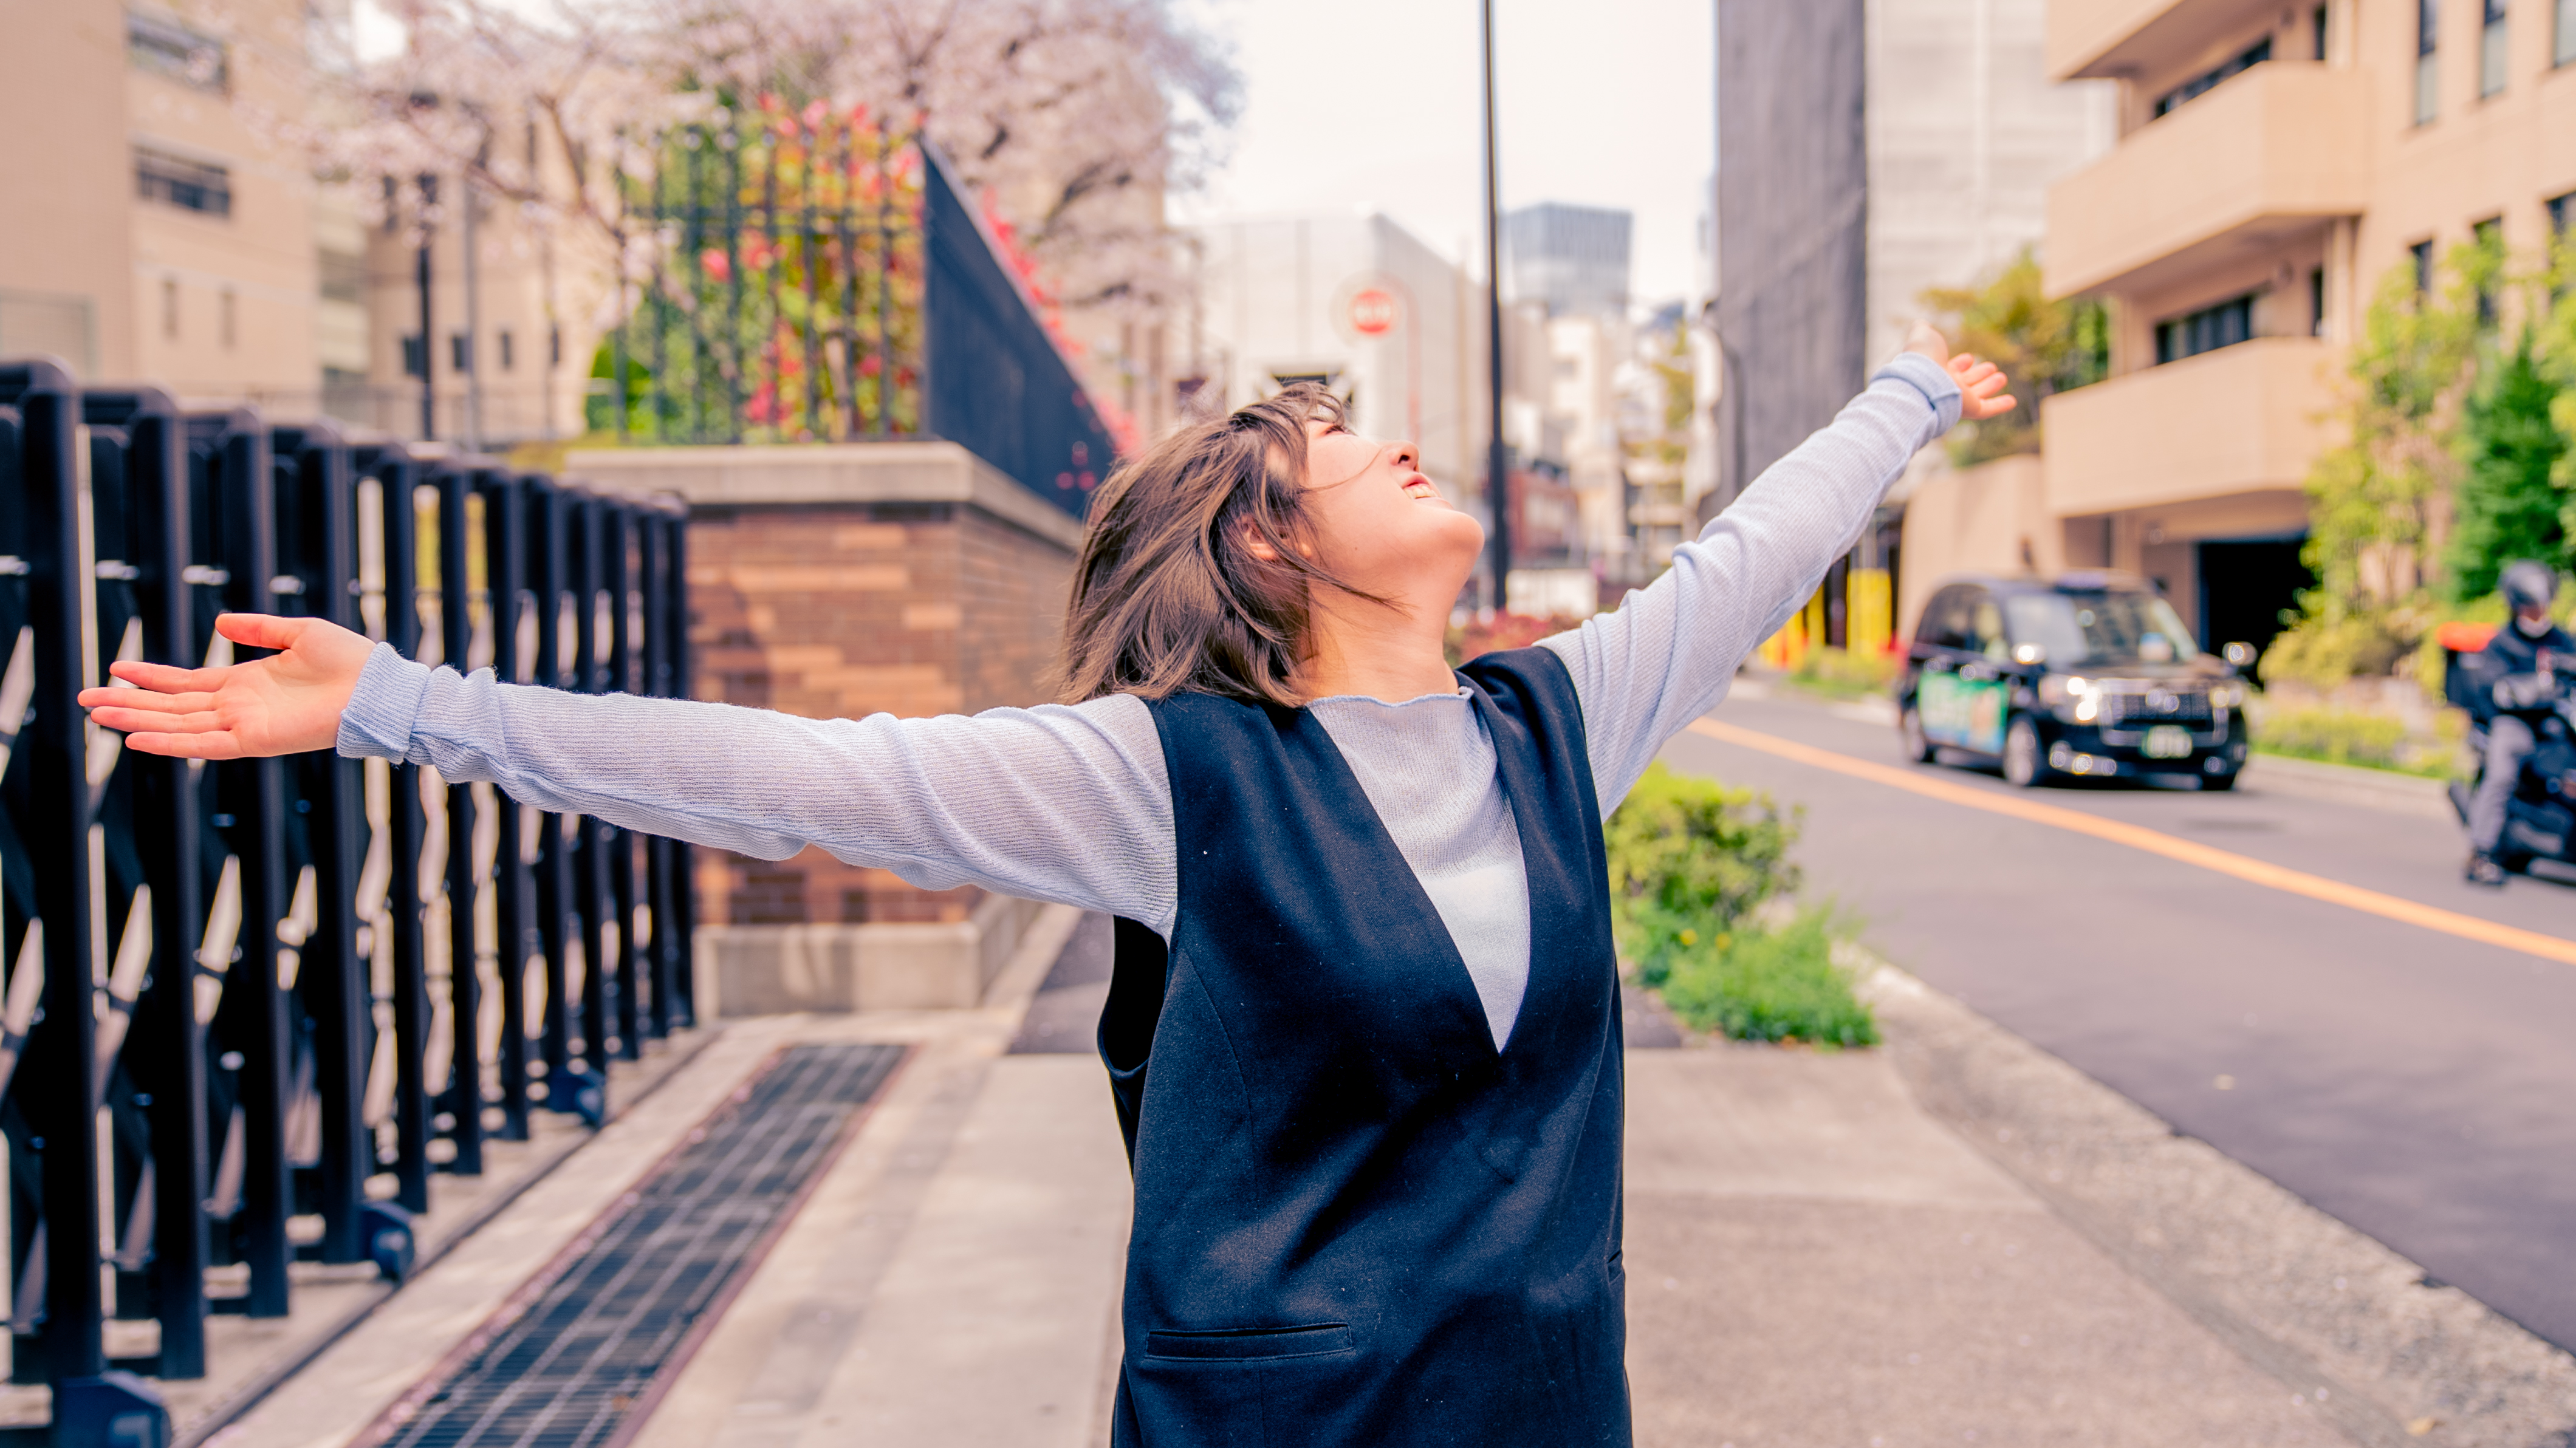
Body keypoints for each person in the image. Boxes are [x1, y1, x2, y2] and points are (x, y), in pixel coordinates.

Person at [81, 325, 2012, 1445]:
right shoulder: (1166, 776)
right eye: (1345, 446)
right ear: (1267, 541)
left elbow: (1751, 557)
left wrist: (1908, 395)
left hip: (1540, 1408)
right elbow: (792, 772)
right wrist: (404, 702)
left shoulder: (1557, 720)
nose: (1403, 442)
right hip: (1280, 1426)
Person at [2463, 559, 2574, 886]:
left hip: (2559, 723)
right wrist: (2535, 687)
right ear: (2516, 605)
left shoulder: (2563, 641)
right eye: (2531, 606)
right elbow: (2496, 690)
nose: (2538, 612)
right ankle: (2480, 853)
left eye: (2542, 604)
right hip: (2518, 724)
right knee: (2502, 772)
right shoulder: (2501, 644)